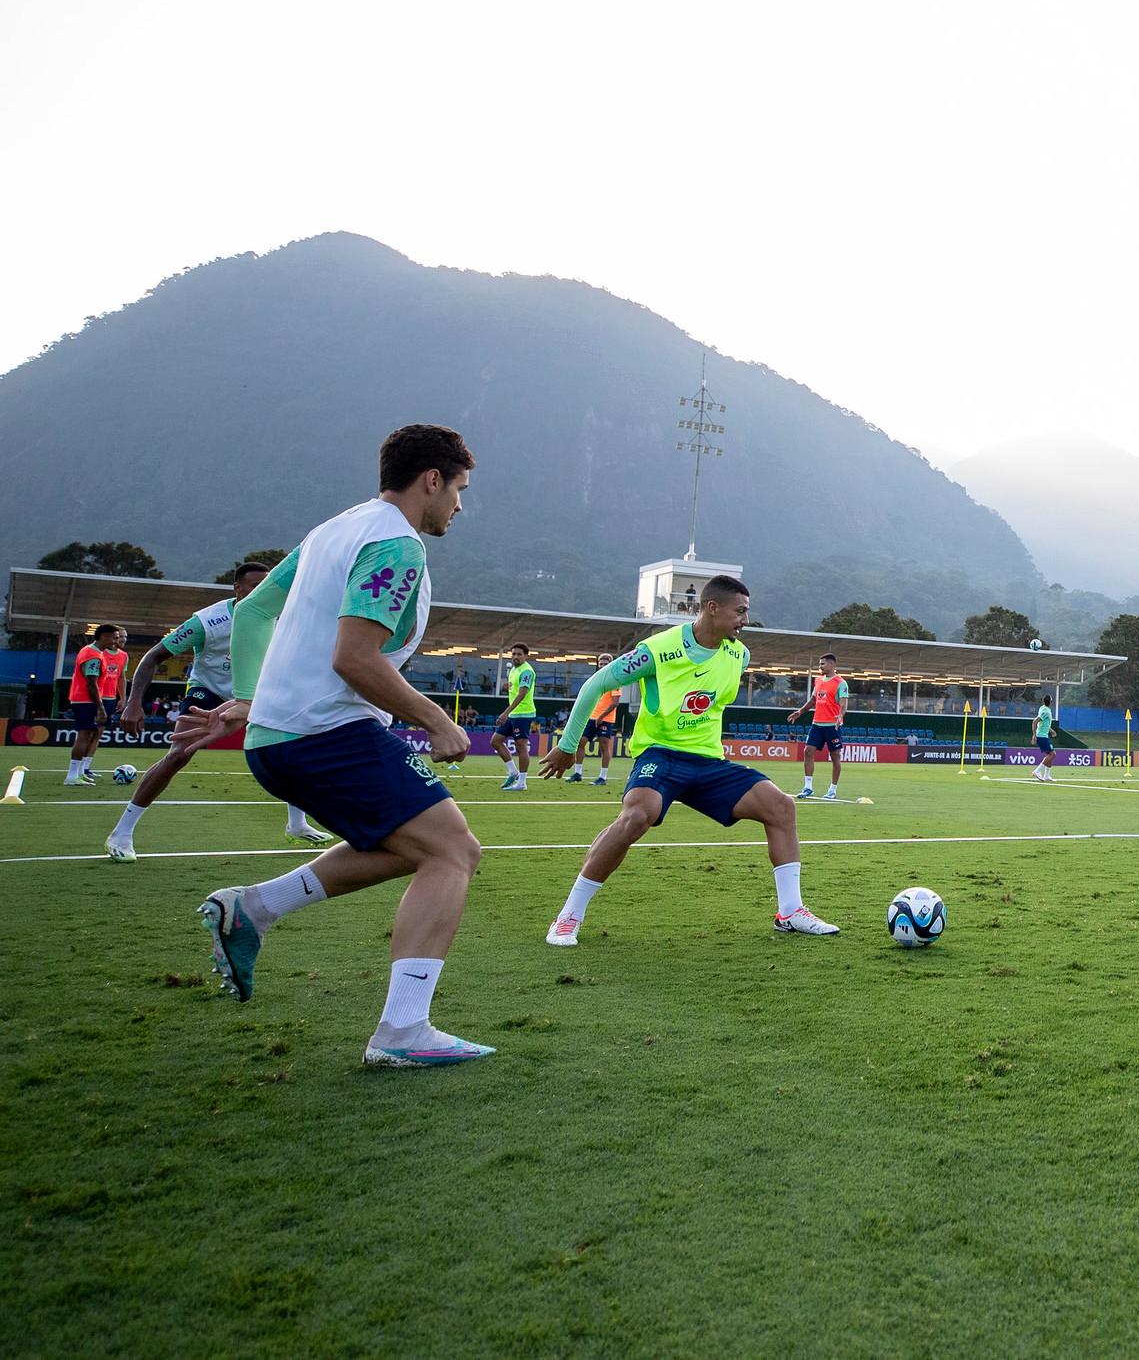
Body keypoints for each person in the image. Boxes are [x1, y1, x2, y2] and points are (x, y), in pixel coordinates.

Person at [174, 423, 493, 1068]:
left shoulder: (333, 529)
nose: (460, 504)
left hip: (284, 734)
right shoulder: (396, 544)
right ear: (431, 479)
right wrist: (438, 721)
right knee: (453, 851)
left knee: (414, 845)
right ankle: (402, 1032)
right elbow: (355, 658)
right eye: (459, 488)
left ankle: (253, 909)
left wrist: (249, 700)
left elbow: (255, 614)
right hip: (326, 731)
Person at [541, 574, 839, 945]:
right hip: (660, 755)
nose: (745, 619)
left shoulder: (739, 654)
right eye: (740, 611)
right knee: (637, 816)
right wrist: (568, 745)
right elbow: (594, 685)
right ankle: (569, 915)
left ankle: (790, 912)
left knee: (780, 807)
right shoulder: (657, 650)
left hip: (708, 762)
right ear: (712, 608)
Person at [105, 560, 334, 861]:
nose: (262, 590)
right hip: (208, 691)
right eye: (254, 585)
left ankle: (297, 824)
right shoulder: (208, 621)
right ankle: (121, 833)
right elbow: (154, 656)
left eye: (266, 585)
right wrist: (134, 702)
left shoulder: (280, 617)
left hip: (256, 695)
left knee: (292, 750)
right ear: (237, 588)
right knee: (178, 755)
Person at [63, 624, 119, 785]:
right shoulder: (93, 656)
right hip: (85, 700)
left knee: (88, 735)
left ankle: (79, 773)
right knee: (84, 735)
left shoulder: (90, 651)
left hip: (83, 699)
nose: (116, 641)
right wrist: (100, 707)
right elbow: (91, 684)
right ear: (104, 637)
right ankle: (72, 776)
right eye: (114, 637)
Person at [788, 653, 850, 799]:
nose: (820, 666)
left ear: (832, 665)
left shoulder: (841, 683)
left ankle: (832, 790)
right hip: (817, 724)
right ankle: (808, 787)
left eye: (822, 664)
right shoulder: (818, 681)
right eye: (820, 663)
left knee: (835, 756)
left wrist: (841, 715)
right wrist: (800, 712)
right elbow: (813, 700)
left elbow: (843, 704)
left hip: (832, 725)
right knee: (808, 751)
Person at [568, 651, 620, 786]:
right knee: (581, 742)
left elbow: (615, 702)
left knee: (604, 746)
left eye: (605, 664)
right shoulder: (595, 679)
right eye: (601, 663)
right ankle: (578, 773)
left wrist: (601, 717)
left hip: (606, 719)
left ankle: (602, 777)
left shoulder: (614, 681)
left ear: (610, 665)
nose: (602, 666)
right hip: (591, 717)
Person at [492, 643, 537, 791]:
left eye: (519, 654)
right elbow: (514, 688)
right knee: (496, 741)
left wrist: (505, 713)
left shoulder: (527, 671)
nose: (516, 657)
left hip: (523, 714)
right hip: (513, 714)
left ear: (526, 655)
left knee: (521, 747)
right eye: (514, 654)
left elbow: (522, 694)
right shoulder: (513, 669)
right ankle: (513, 772)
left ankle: (522, 782)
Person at [100, 627, 130, 733]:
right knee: (88, 731)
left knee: (99, 732)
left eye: (125, 636)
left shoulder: (124, 656)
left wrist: (122, 698)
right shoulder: (99, 653)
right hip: (95, 697)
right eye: (121, 636)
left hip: (110, 699)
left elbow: (121, 677)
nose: (124, 639)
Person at [1032, 693, 1057, 783]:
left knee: (1049, 755)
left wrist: (1051, 730)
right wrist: (1034, 735)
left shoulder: (1042, 708)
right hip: (1041, 736)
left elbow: (1043, 722)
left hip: (1044, 735)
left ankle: (1047, 775)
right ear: (1050, 702)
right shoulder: (1045, 711)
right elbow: (1035, 722)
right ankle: (1037, 771)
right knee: (1053, 754)